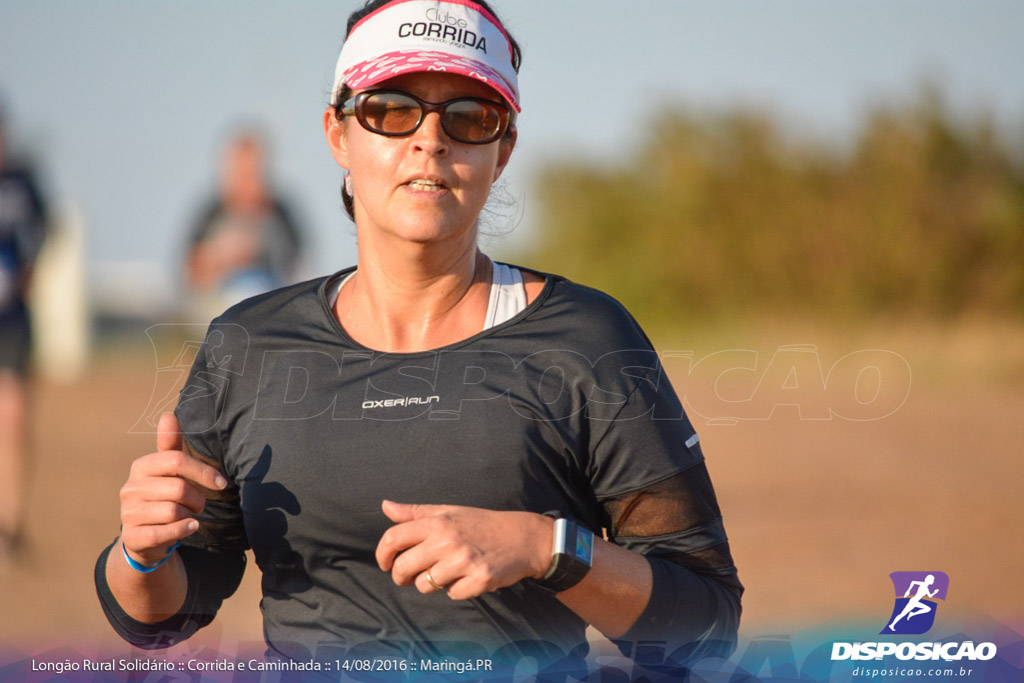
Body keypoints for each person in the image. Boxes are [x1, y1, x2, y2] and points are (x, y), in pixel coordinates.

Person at [95, 0, 742, 676]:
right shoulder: (249, 346)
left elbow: (706, 623)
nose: (429, 139)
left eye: (469, 117)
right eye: (392, 109)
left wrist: (547, 546)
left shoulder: (586, 338)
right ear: (338, 134)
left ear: (503, 150)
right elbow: (160, 617)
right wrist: (141, 552)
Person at [183, 129, 303, 322]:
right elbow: (190, 271)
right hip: (219, 308)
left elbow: (298, 264)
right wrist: (223, 259)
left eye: (254, 170)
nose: (248, 179)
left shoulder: (280, 213)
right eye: (242, 170)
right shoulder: (212, 213)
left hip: (271, 303)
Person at [0, 107, 48, 564]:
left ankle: (10, 527)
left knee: (13, 419)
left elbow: (40, 237)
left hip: (11, 319)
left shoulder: (22, 184)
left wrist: (26, 280)